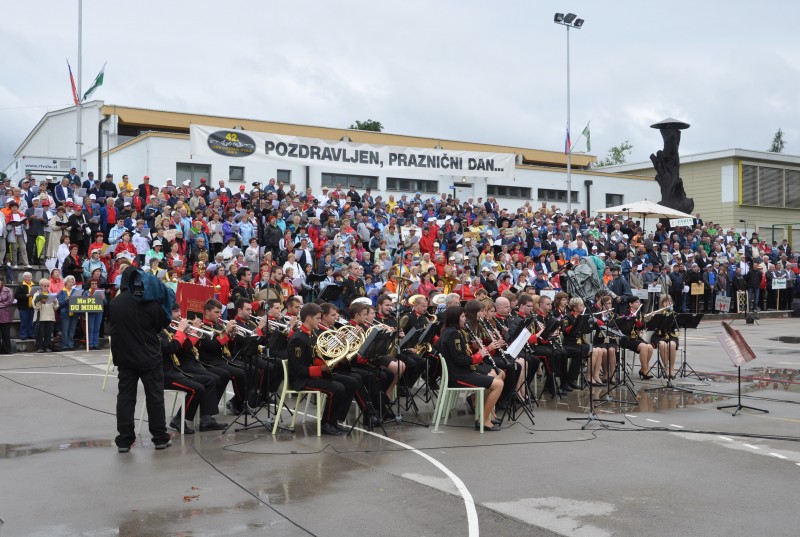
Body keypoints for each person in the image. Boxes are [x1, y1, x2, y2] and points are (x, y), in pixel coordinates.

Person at [109, 267, 173, 453]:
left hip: (125, 357)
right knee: (155, 396)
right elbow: (161, 324)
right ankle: (159, 437)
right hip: (148, 356)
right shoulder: (149, 302)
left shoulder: (115, 303)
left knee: (125, 398)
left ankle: (124, 440)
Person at [287, 303, 353, 435]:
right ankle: (326, 424)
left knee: (349, 382)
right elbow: (298, 370)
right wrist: (321, 369)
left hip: (313, 375)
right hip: (302, 380)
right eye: (317, 318)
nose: (319, 320)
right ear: (308, 318)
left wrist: (338, 344)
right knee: (337, 388)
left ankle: (334, 421)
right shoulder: (298, 339)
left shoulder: (312, 335)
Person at [439, 305, 504, 431]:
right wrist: (479, 356)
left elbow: (460, 355)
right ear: (455, 318)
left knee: (495, 379)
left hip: (461, 372)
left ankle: (486, 416)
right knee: (498, 384)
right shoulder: (453, 334)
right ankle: (483, 420)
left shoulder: (450, 331)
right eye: (463, 316)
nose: (465, 319)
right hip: (459, 376)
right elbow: (460, 360)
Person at [650, 295, 679, 379]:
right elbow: (651, 326)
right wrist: (652, 318)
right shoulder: (658, 314)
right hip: (659, 335)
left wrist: (675, 317)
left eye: (669, 301)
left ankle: (672, 368)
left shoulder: (674, 314)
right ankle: (666, 368)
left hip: (671, 335)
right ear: (662, 304)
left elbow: (677, 327)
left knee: (672, 345)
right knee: (662, 345)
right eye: (665, 302)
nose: (668, 303)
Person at [33, 278, 57, 352]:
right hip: (41, 316)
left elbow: (56, 307)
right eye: (45, 286)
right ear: (41, 286)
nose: (46, 287)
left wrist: (55, 303)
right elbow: (35, 306)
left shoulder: (51, 294)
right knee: (40, 332)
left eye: (47, 286)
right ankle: (39, 347)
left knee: (48, 332)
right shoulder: (37, 294)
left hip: (50, 316)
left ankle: (46, 346)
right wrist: (40, 302)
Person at [56, 275, 80, 350]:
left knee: (72, 330)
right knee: (65, 330)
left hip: (74, 313)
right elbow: (59, 304)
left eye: (72, 282)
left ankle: (70, 345)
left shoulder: (75, 291)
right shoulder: (61, 292)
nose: (71, 283)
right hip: (65, 313)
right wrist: (66, 300)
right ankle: (64, 345)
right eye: (70, 282)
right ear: (66, 282)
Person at [14, 271, 35, 340]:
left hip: (32, 307)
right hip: (23, 307)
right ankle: (23, 335)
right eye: (27, 277)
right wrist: (26, 295)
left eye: (30, 277)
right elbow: (16, 296)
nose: (29, 278)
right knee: (24, 321)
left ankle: (30, 334)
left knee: (31, 322)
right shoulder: (21, 286)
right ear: (24, 278)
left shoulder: (34, 286)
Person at [0, 277, 15, 353]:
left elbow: (10, 301)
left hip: (5, 315)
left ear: (2, 281)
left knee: (6, 334)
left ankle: (7, 349)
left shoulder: (8, 290)